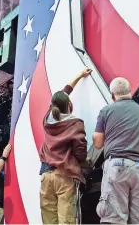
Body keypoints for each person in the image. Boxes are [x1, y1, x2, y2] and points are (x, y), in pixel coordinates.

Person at [93, 77, 139, 224]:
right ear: (129, 91)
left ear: (112, 95)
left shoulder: (106, 110)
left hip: (117, 167)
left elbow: (98, 143)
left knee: (114, 219)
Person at [39, 68, 92, 224]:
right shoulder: (75, 124)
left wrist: (78, 76)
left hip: (46, 176)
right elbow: (80, 153)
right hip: (65, 176)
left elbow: (63, 93)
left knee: (49, 221)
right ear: (69, 104)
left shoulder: (47, 119)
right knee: (66, 220)